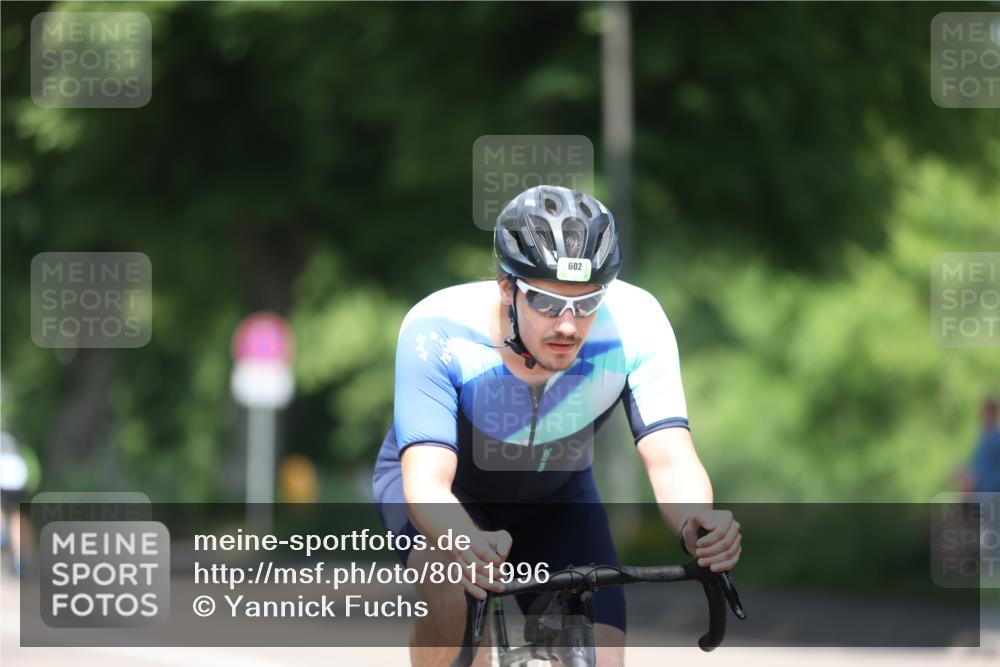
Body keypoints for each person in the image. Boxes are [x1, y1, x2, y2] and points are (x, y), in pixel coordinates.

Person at [372, 185, 742, 666]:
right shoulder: (438, 328)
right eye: (546, 302)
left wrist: (698, 522)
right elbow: (427, 485)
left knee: (600, 658)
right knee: (452, 594)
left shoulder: (637, 324)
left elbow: (671, 457)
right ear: (508, 288)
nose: (567, 324)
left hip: (556, 496)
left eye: (587, 303)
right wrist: (465, 541)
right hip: (445, 498)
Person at [957, 397, 1000, 493]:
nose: (983, 417)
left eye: (986, 413)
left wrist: (976, 481)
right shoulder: (981, 441)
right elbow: (976, 468)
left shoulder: (997, 441)